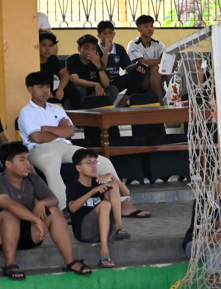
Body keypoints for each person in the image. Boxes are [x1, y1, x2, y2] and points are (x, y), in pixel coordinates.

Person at [17, 72, 145, 215]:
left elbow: (70, 131)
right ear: (30, 89)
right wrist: (60, 130)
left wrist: (48, 129)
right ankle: (63, 209)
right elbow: (37, 137)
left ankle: (122, 202)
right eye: (40, 87)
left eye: (47, 86)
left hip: (65, 146)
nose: (45, 90)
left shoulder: (56, 108)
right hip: (40, 149)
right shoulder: (26, 112)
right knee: (51, 164)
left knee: (101, 161)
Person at [0, 141, 86, 278]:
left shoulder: (32, 178)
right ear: (8, 164)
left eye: (27, 159)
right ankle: (10, 264)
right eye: (22, 160)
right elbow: (8, 203)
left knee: (54, 210)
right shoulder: (1, 181)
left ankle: (69, 261)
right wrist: (36, 219)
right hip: (3, 236)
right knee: (9, 215)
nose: (27, 164)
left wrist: (42, 203)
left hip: (28, 234)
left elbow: (54, 199)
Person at [65, 147, 131, 269]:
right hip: (84, 232)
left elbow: (126, 192)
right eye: (89, 163)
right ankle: (104, 252)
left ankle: (118, 226)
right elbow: (72, 208)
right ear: (78, 167)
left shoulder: (98, 182)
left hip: (104, 230)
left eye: (95, 162)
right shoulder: (73, 187)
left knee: (113, 185)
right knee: (105, 204)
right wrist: (92, 192)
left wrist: (112, 176)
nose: (94, 166)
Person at [65, 34, 116, 108]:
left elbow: (106, 84)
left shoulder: (96, 59)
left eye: (93, 48)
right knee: (80, 89)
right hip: (79, 94)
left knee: (112, 89)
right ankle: (80, 111)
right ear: (79, 49)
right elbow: (75, 80)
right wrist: (95, 84)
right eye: (87, 48)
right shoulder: (72, 59)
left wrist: (98, 65)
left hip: (94, 94)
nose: (90, 51)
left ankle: (102, 109)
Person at [126, 14, 165, 98]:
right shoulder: (133, 44)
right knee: (155, 68)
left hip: (156, 77)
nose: (150, 29)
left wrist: (169, 61)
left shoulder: (158, 43)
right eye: (146, 26)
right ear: (138, 28)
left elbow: (167, 58)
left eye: (151, 26)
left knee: (170, 67)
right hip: (140, 80)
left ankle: (175, 98)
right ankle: (161, 101)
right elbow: (142, 63)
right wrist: (162, 60)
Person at [96, 21, 135, 94]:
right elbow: (102, 66)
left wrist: (137, 66)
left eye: (110, 33)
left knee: (136, 75)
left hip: (115, 81)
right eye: (104, 33)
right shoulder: (96, 48)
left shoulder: (119, 48)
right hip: (100, 82)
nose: (108, 36)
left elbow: (127, 67)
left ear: (114, 34)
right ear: (99, 36)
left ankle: (126, 99)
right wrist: (107, 48)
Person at [38, 31, 69, 106]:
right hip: (39, 94)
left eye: (51, 45)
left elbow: (65, 75)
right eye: (44, 45)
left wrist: (60, 89)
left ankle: (78, 111)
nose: (48, 49)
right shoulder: (33, 60)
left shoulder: (53, 58)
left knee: (69, 86)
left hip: (51, 94)